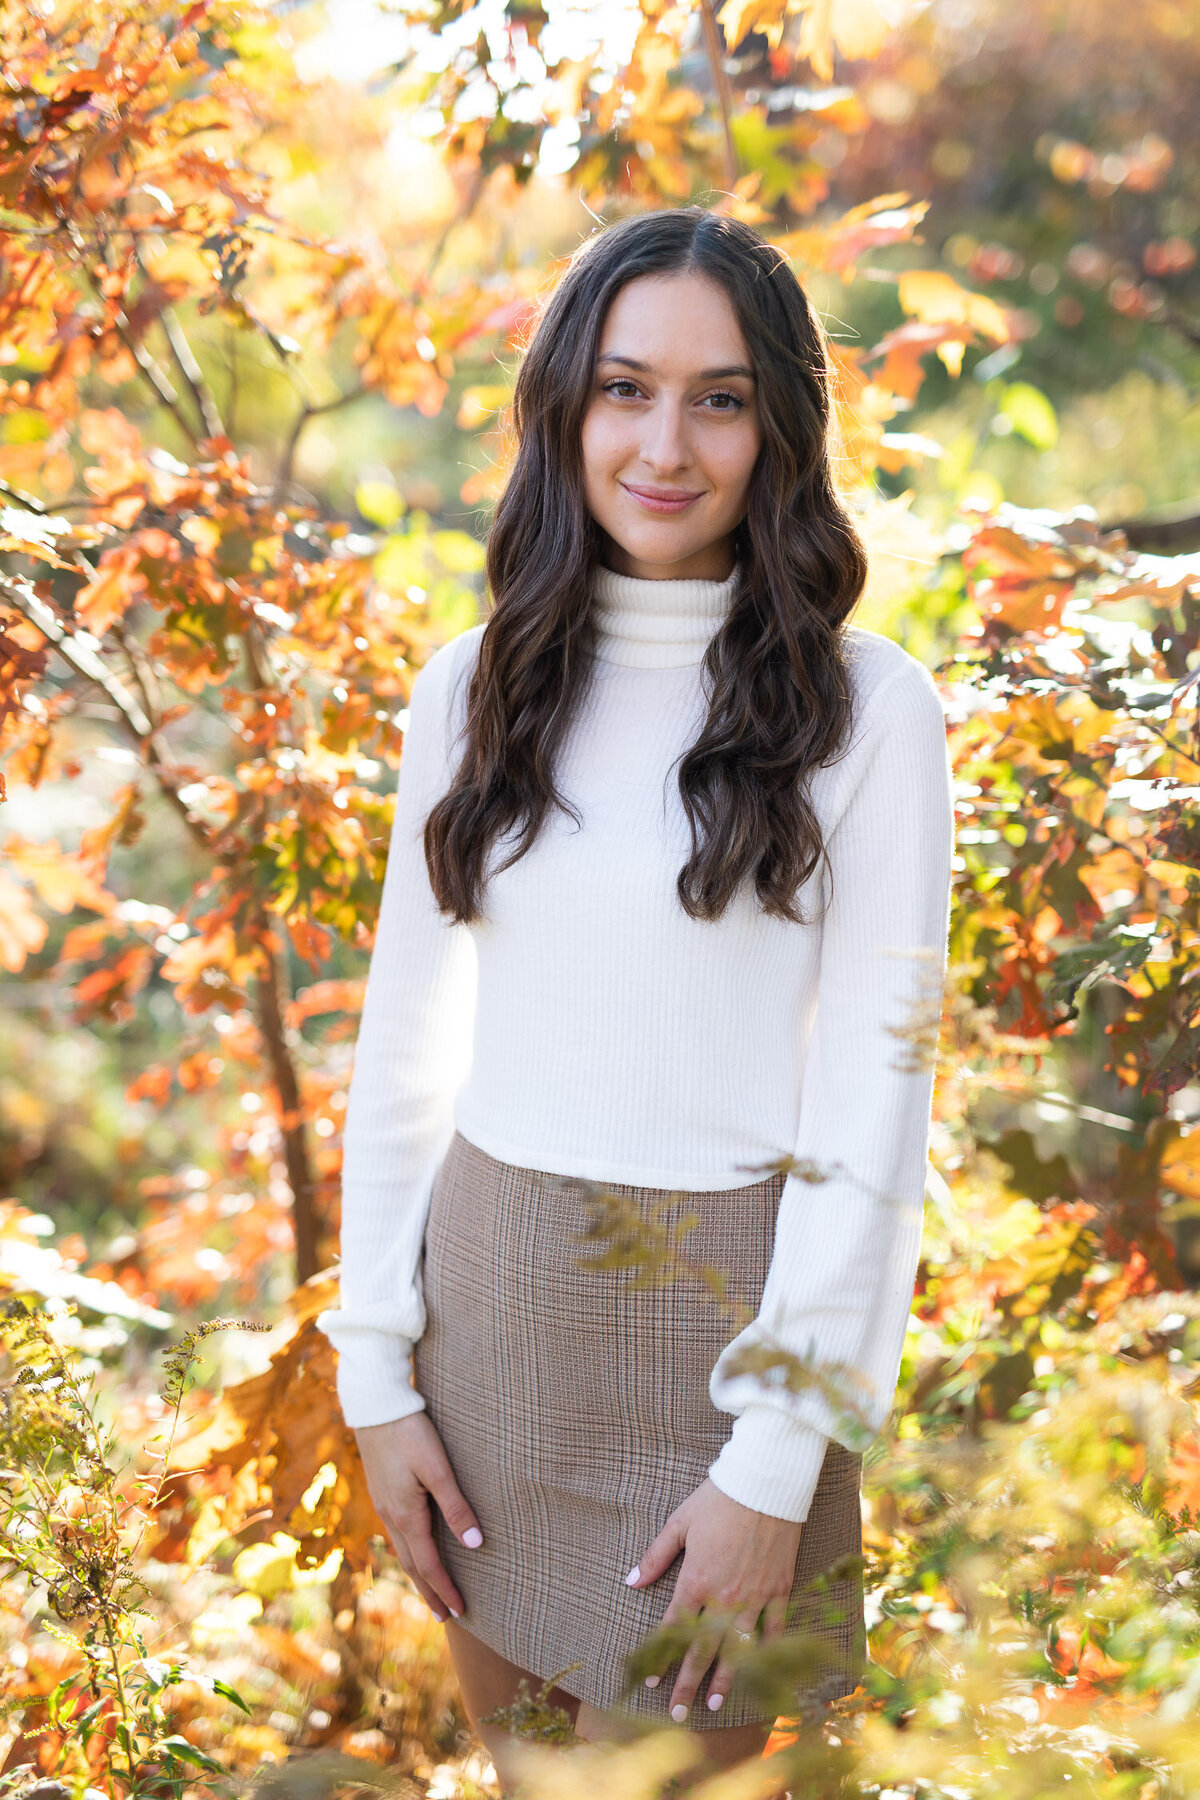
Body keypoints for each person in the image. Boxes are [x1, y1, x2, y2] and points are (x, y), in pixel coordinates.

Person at [316, 205, 955, 1784]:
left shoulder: (869, 714)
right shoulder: (472, 689)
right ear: (564, 408)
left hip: (719, 1348)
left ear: (777, 428)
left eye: (721, 397)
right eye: (625, 388)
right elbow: (406, 1045)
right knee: (528, 1777)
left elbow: (875, 1118)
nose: (667, 443)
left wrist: (779, 1459)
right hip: (487, 1325)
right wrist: (376, 1373)